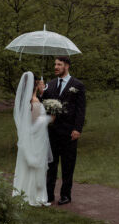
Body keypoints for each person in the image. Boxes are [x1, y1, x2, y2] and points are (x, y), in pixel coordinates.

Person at [38, 55, 86, 205]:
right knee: (51, 164)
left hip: (69, 132)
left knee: (68, 165)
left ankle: (66, 195)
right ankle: (49, 194)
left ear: (67, 66)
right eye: (55, 65)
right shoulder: (50, 85)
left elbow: (80, 109)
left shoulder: (77, 85)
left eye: (59, 65)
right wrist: (40, 93)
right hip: (52, 132)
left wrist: (77, 129)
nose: (55, 67)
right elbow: (42, 105)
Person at [12, 71, 53, 206]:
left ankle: (22, 192)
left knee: (24, 167)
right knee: (35, 169)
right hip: (36, 141)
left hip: (26, 141)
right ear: (36, 85)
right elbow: (36, 124)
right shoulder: (34, 102)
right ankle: (34, 195)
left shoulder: (24, 102)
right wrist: (49, 118)